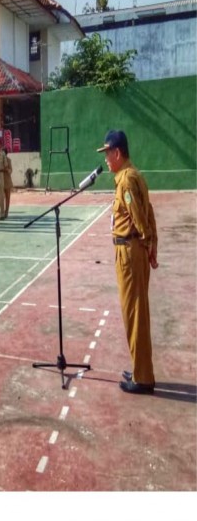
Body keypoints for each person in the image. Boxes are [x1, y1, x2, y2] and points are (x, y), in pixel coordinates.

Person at [97, 130, 158, 395]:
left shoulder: (126, 182)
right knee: (135, 313)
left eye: (108, 153)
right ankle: (139, 368)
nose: (107, 159)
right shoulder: (133, 175)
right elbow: (150, 211)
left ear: (117, 153)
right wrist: (151, 245)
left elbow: (139, 217)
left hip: (129, 252)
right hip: (134, 251)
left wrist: (146, 242)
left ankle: (143, 377)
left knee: (135, 316)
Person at [3, 147, 14, 218]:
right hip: (1, 181)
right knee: (1, 197)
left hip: (7, 181)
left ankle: (6, 211)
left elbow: (10, 171)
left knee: (7, 197)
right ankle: (1, 211)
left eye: (4, 153)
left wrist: (6, 169)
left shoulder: (8, 160)